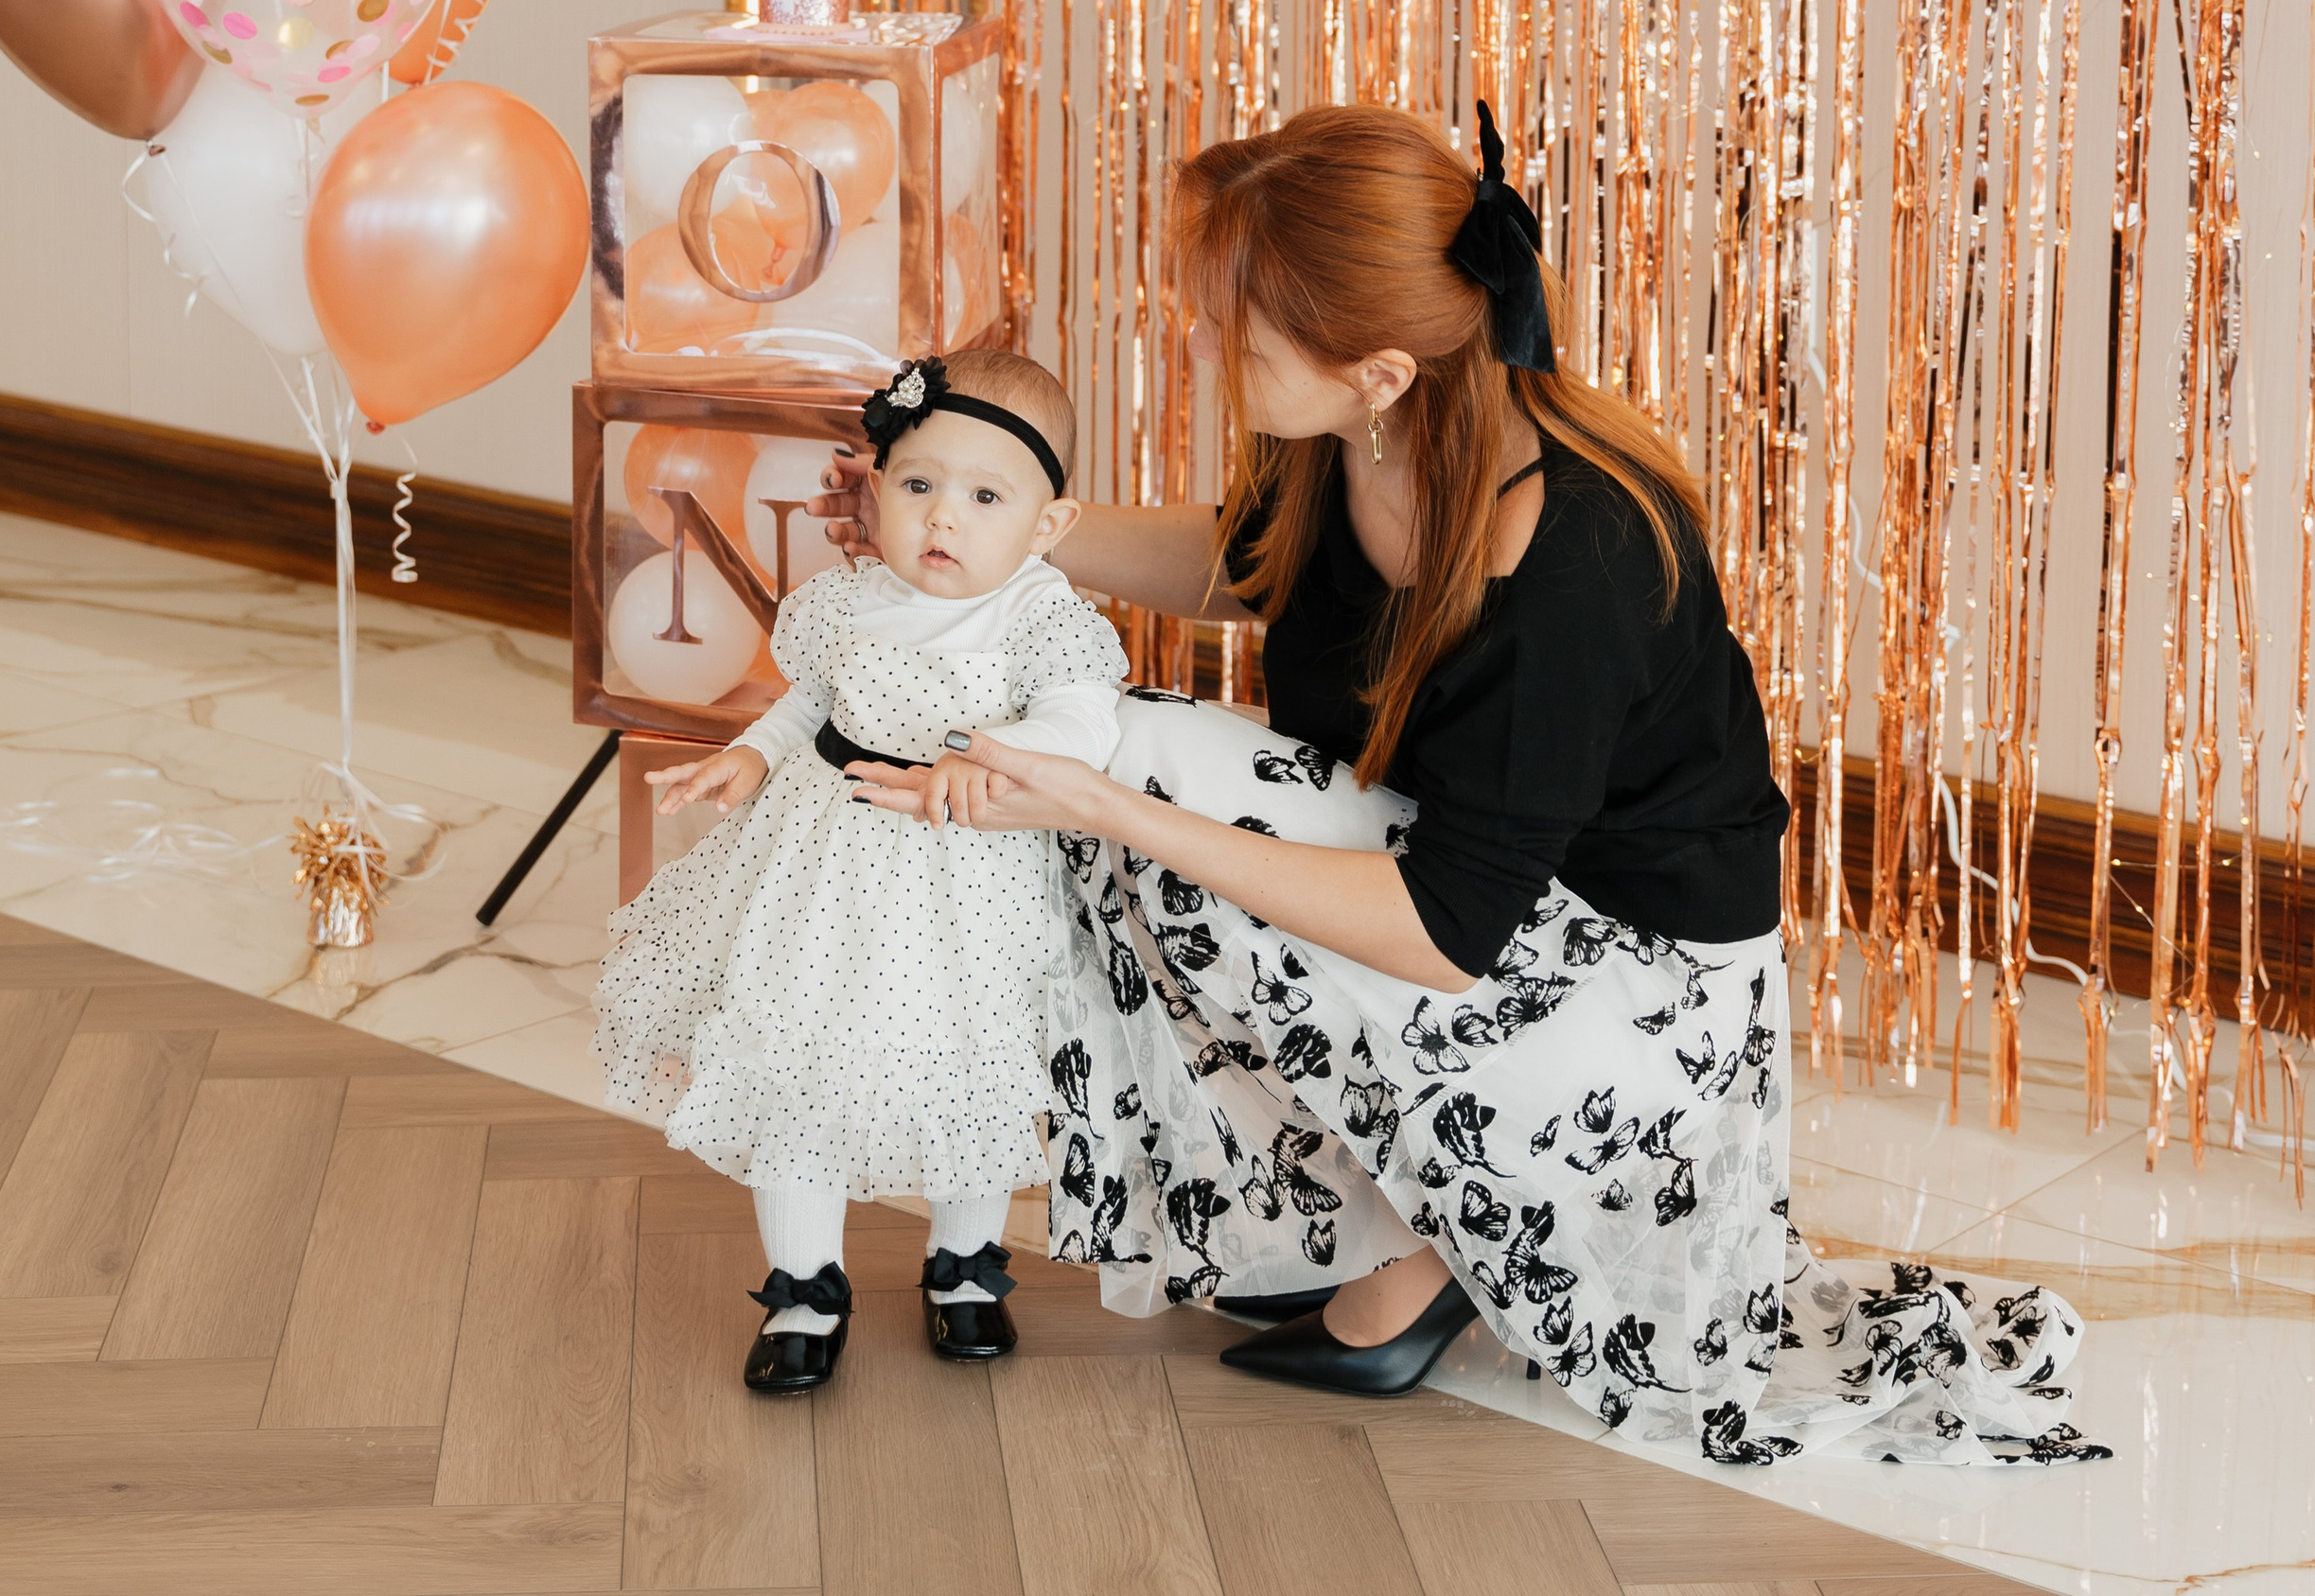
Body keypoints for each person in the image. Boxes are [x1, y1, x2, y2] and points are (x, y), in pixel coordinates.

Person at [841, 105, 2104, 1468]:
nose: (1196, 348)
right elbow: (1252, 563)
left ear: (1380, 370)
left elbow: (1448, 931)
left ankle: (1420, 1244)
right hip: (1509, 933)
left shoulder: (1573, 556)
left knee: (1118, 774)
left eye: (1233, 336)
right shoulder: (1378, 436)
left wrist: (1106, 806)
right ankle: (1382, 1219)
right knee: (1121, 766)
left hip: (1633, 1012)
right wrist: (984, 523)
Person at [592, 344, 1126, 1397]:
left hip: (970, 886)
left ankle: (963, 1266)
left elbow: (1083, 723)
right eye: (918, 485)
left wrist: (983, 763)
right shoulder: (848, 600)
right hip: (824, 876)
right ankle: (803, 1288)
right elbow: (809, 704)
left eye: (985, 497)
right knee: (799, 1061)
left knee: (970, 1065)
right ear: (877, 488)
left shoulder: (1040, 615)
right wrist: (752, 754)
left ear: (1048, 522)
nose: (943, 519)